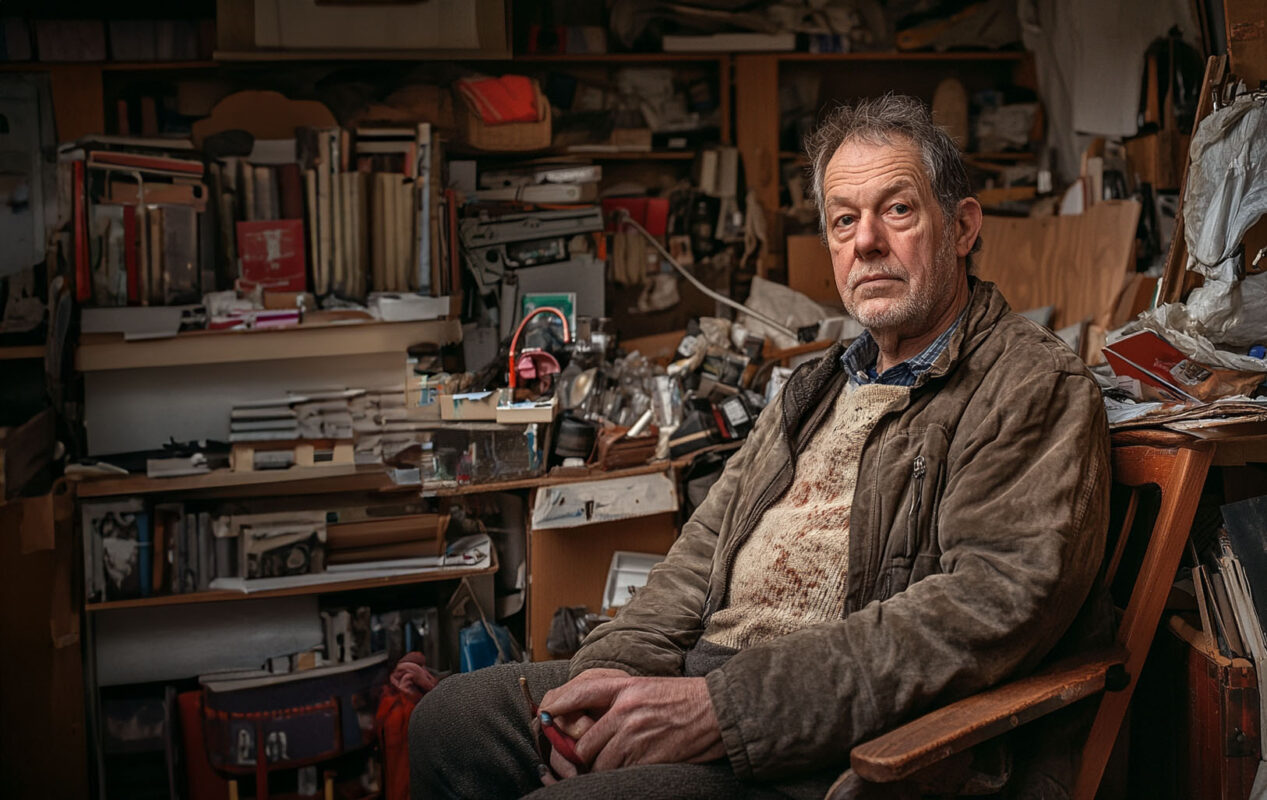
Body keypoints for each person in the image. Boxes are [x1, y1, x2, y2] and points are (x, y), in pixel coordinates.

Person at [410, 94, 1111, 800]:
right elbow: (699, 555)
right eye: (843, 219)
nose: (865, 241)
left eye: (896, 210)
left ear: (960, 227)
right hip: (706, 680)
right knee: (452, 719)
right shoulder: (814, 386)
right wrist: (615, 668)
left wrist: (724, 712)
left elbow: (987, 607)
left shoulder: (1028, 382)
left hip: (835, 740)